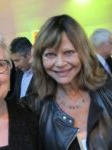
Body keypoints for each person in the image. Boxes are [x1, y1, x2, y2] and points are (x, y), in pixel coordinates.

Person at [22, 14, 112, 150]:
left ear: (83, 54)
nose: (60, 63)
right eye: (50, 54)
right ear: (41, 60)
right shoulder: (30, 108)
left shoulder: (109, 95)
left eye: (68, 52)